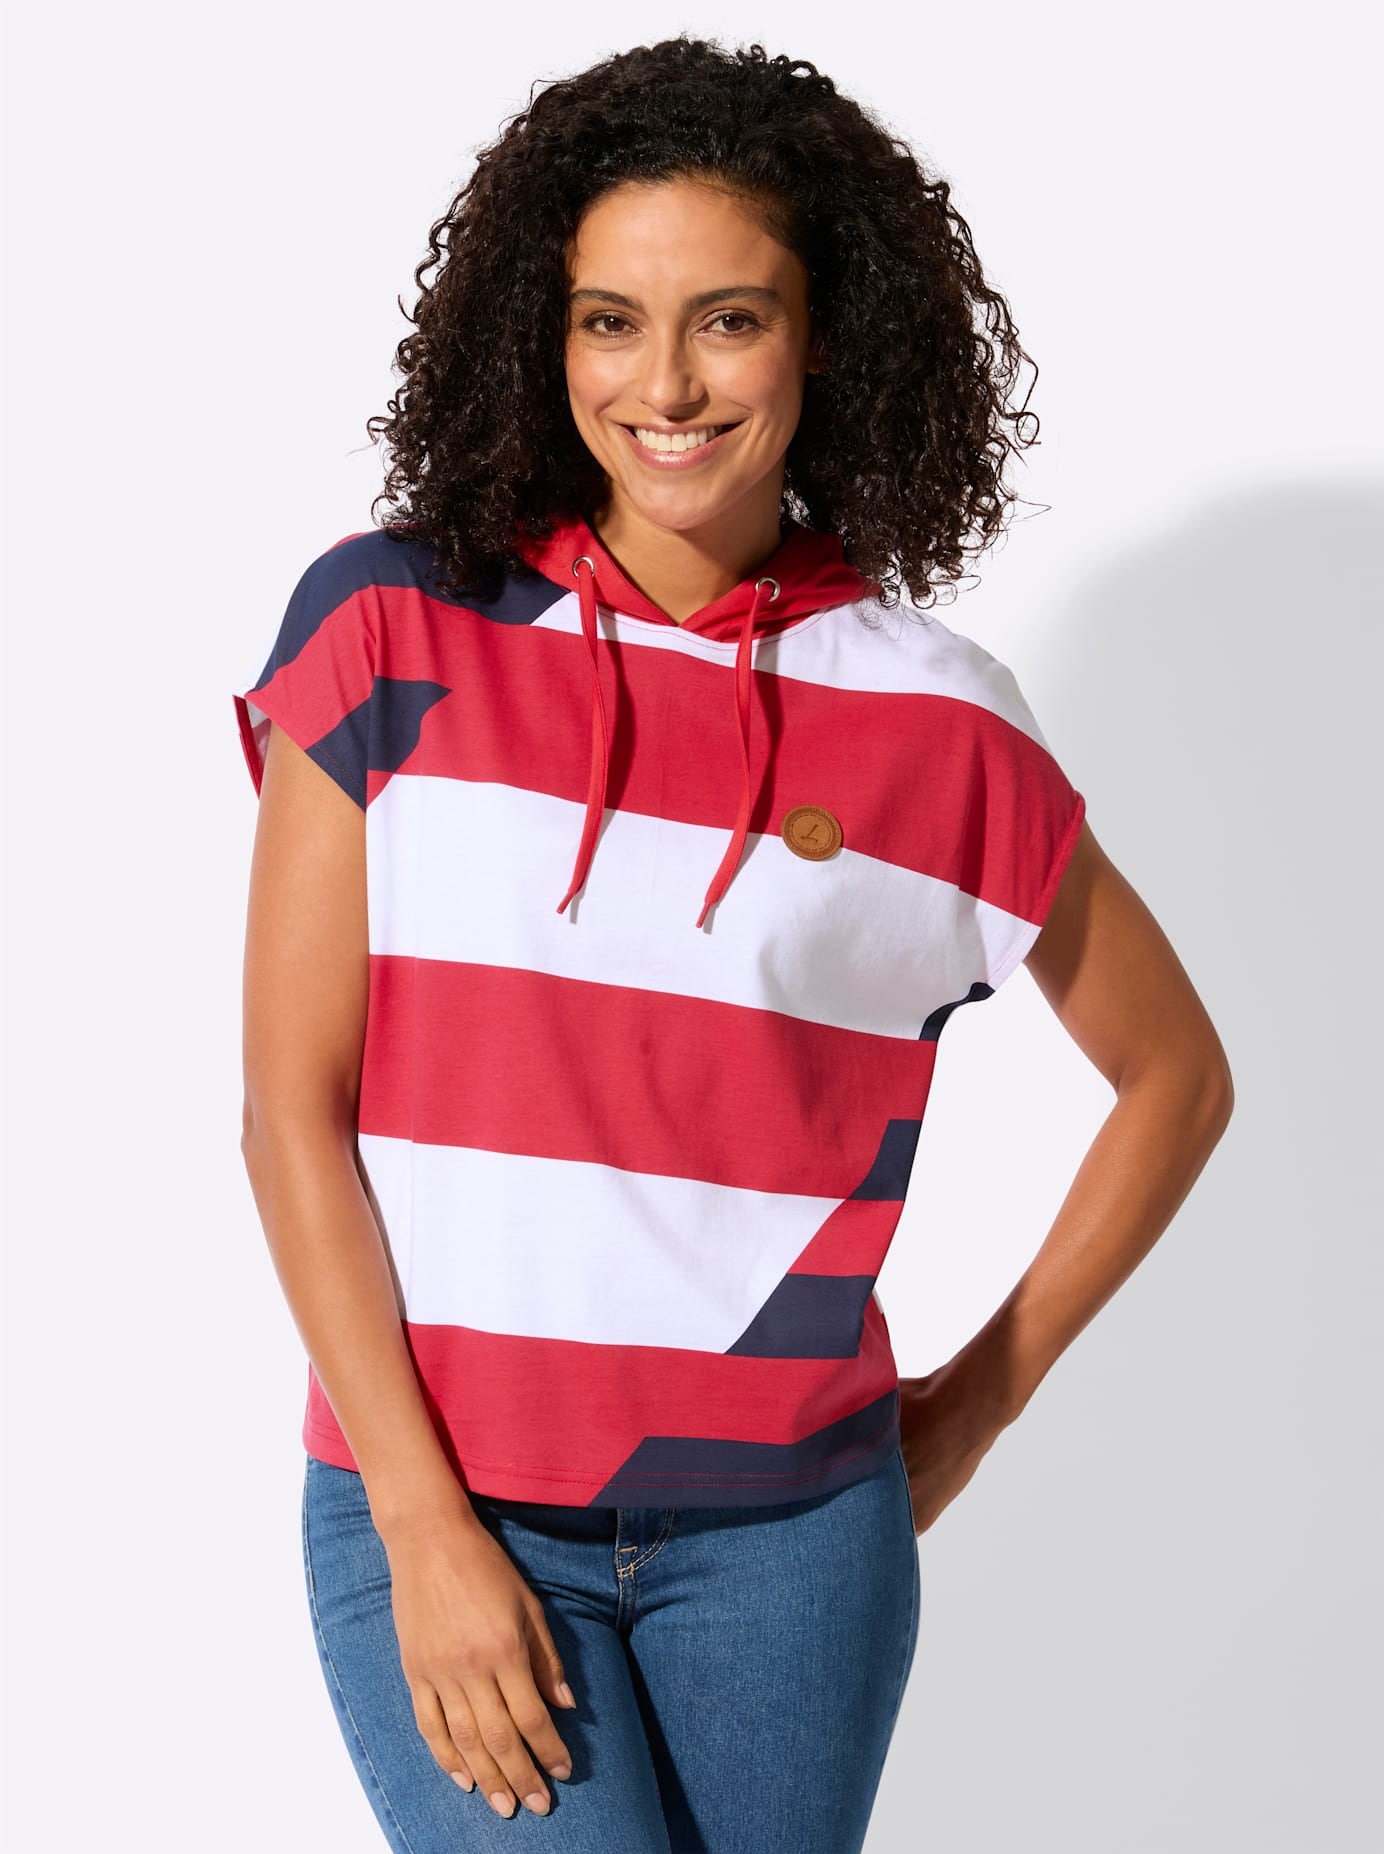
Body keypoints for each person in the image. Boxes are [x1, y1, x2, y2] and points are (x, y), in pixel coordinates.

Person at [234, 34, 1234, 1854]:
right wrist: (422, 1524)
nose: (667, 383)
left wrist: (980, 1402)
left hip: (793, 1541)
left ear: (823, 334)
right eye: (610, 322)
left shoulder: (941, 724)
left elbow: (1177, 1075)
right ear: (542, 336)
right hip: (442, 1497)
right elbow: (288, 1113)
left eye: (730, 320)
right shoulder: (390, 628)